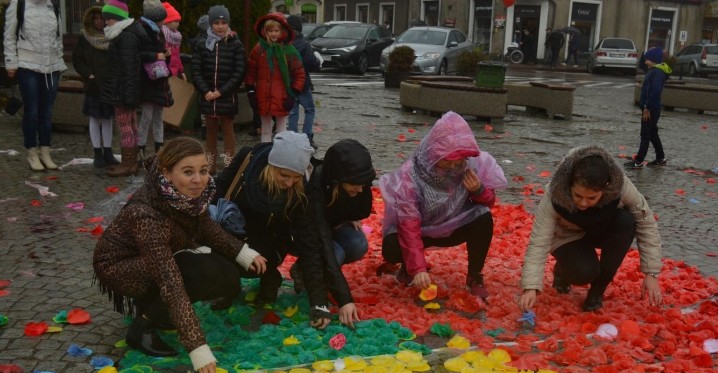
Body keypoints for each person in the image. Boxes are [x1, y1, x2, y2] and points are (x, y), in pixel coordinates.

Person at [93, 137, 267, 373]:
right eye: (188, 172)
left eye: (203, 171)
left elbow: (207, 228)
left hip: (164, 256)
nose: (198, 180)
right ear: (167, 173)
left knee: (227, 274)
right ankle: (141, 327)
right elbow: (170, 280)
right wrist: (199, 350)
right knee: (194, 272)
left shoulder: (190, 194)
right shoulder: (146, 213)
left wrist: (244, 253)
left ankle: (160, 314)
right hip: (121, 266)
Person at [378, 111, 507, 299]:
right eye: (448, 162)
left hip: (453, 225)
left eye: (459, 162)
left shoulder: (473, 164)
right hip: (420, 231)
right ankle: (408, 268)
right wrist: (418, 268)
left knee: (484, 216)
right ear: (435, 155)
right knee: (391, 247)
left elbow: (489, 203)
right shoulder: (411, 175)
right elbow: (409, 225)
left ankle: (474, 276)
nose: (454, 168)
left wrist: (478, 190)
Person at [518, 146, 663, 313]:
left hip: (600, 228)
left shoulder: (621, 186)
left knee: (626, 221)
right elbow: (539, 241)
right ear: (570, 185)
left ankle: (597, 290)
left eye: (592, 198)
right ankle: (562, 271)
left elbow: (646, 222)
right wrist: (530, 287)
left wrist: (651, 274)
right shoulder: (554, 193)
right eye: (578, 196)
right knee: (584, 273)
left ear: (606, 187)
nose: (583, 203)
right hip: (567, 234)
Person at [214, 131, 316, 304]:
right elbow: (219, 188)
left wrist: (317, 298)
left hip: (272, 242)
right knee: (215, 254)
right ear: (272, 166)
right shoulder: (248, 160)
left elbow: (305, 228)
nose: (289, 183)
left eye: (296, 177)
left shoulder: (301, 188)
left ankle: (270, 277)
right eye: (284, 175)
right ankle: (228, 284)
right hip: (235, 231)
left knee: (255, 263)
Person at [293, 140, 376, 329]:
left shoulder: (357, 183)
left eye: (364, 184)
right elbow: (318, 246)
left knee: (358, 244)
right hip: (306, 236)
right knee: (332, 254)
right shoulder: (314, 190)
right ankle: (302, 271)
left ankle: (321, 275)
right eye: (355, 184)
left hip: (330, 229)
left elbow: (360, 208)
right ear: (337, 180)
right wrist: (326, 303)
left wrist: (349, 214)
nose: (361, 189)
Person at [2, 0, 67, 171]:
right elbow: (9, 36)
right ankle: (31, 152)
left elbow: (58, 36)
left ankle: (45, 151)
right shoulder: (19, 5)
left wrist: (59, 60)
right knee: (32, 111)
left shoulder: (52, 5)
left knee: (47, 113)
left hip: (51, 66)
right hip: (28, 64)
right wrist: (10, 62)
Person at [191, 5, 246, 174]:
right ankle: (210, 163)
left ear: (228, 23)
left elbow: (239, 71)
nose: (220, 26)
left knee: (228, 130)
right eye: (216, 23)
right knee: (211, 131)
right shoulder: (202, 44)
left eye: (223, 22)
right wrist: (205, 91)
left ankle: (229, 162)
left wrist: (222, 91)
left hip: (226, 96)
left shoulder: (235, 43)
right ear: (211, 24)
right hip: (208, 97)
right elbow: (196, 70)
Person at [100, 0, 149, 177]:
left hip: (123, 89)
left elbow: (129, 68)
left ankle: (128, 163)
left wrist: (128, 94)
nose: (106, 22)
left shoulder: (125, 36)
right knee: (131, 124)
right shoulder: (127, 33)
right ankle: (131, 162)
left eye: (109, 19)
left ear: (117, 18)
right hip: (126, 89)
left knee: (125, 126)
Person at [245, 13, 305, 143]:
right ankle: (264, 155)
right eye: (270, 31)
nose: (273, 34)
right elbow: (250, 71)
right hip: (263, 95)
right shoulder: (259, 49)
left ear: (282, 31)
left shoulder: (288, 50)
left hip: (282, 96)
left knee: (281, 129)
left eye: (276, 31)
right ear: (264, 32)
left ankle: (281, 156)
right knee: (265, 128)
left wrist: (293, 93)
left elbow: (299, 73)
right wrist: (250, 90)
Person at [72, 4, 118, 169]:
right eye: (96, 18)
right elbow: (77, 59)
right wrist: (88, 74)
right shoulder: (85, 37)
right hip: (93, 84)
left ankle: (108, 151)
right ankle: (97, 152)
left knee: (108, 118)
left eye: (102, 18)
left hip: (109, 84)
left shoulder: (112, 36)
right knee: (94, 118)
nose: (99, 21)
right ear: (91, 20)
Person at [136, 0, 174, 159]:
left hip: (159, 81)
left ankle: (159, 151)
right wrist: (155, 56)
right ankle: (141, 151)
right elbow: (137, 55)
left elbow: (162, 60)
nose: (164, 22)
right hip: (148, 82)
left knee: (158, 117)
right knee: (146, 117)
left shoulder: (158, 32)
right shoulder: (143, 31)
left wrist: (167, 56)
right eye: (162, 19)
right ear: (154, 18)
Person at [626, 47, 671, 169]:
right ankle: (660, 158)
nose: (646, 62)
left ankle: (639, 160)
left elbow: (655, 91)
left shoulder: (656, 72)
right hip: (651, 108)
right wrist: (644, 53)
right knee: (652, 134)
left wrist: (647, 107)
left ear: (654, 60)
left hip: (651, 109)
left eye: (648, 60)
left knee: (645, 134)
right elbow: (642, 64)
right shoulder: (654, 70)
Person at [286, 15, 321, 148]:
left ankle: (293, 137)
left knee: (293, 112)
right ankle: (307, 137)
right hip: (302, 84)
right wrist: (318, 62)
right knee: (310, 109)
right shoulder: (304, 45)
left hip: (289, 84)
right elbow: (312, 64)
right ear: (300, 29)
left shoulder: (284, 44)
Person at [161, 3, 185, 79]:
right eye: (176, 21)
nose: (178, 24)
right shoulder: (162, 36)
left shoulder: (176, 37)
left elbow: (177, 56)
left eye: (179, 22)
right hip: (164, 73)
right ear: (167, 21)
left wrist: (181, 71)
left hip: (175, 73)